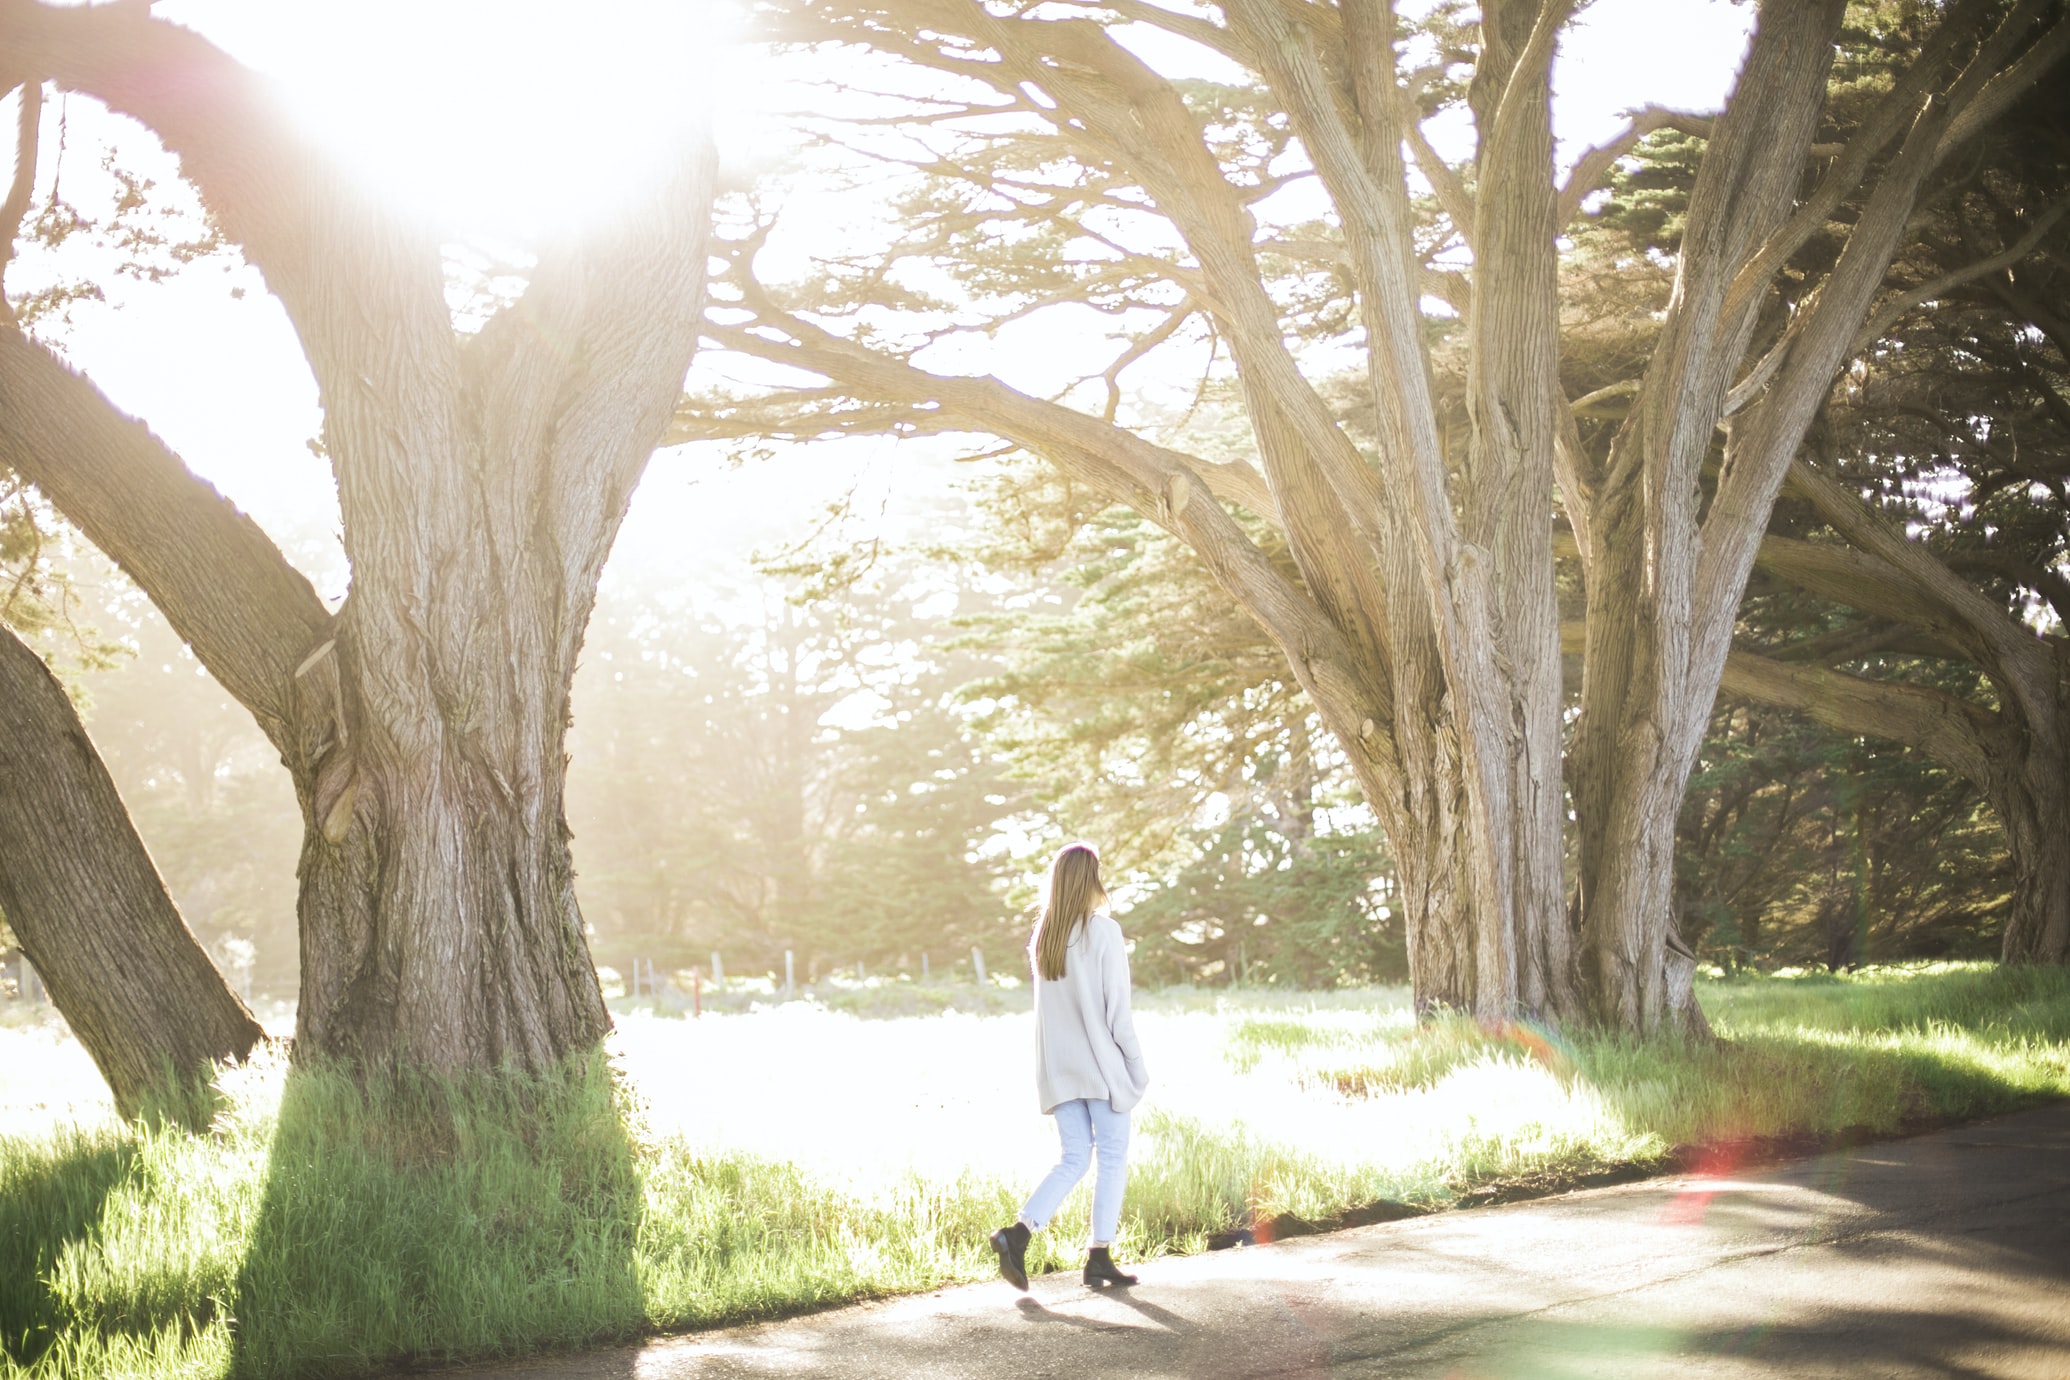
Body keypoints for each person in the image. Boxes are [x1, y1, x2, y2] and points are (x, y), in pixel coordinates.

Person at [989, 842, 1149, 1291]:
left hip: (1059, 1069)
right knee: (1112, 1158)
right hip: (1101, 1067)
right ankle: (1099, 1254)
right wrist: (1136, 1065)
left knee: (1075, 1157)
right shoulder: (1103, 932)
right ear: (1091, 879)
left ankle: (1016, 1236)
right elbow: (1117, 1011)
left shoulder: (1045, 936)